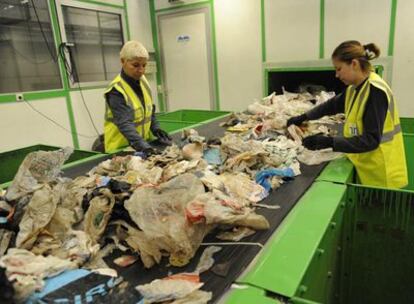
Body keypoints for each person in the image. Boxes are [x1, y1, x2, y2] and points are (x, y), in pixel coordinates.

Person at [287, 40, 408, 189]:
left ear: (354, 64)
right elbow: (330, 106)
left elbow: (371, 140)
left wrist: (329, 142)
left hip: (381, 174)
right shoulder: (354, 89)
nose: (337, 75)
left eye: (339, 69)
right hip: (365, 165)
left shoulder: (375, 91)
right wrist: (303, 117)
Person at [103, 40, 171, 155]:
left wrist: (156, 128)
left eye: (144, 65)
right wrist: (144, 146)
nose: (141, 70)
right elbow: (124, 123)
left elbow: (149, 111)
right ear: (123, 61)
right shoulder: (116, 90)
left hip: (141, 146)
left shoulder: (143, 81)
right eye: (135, 65)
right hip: (121, 151)